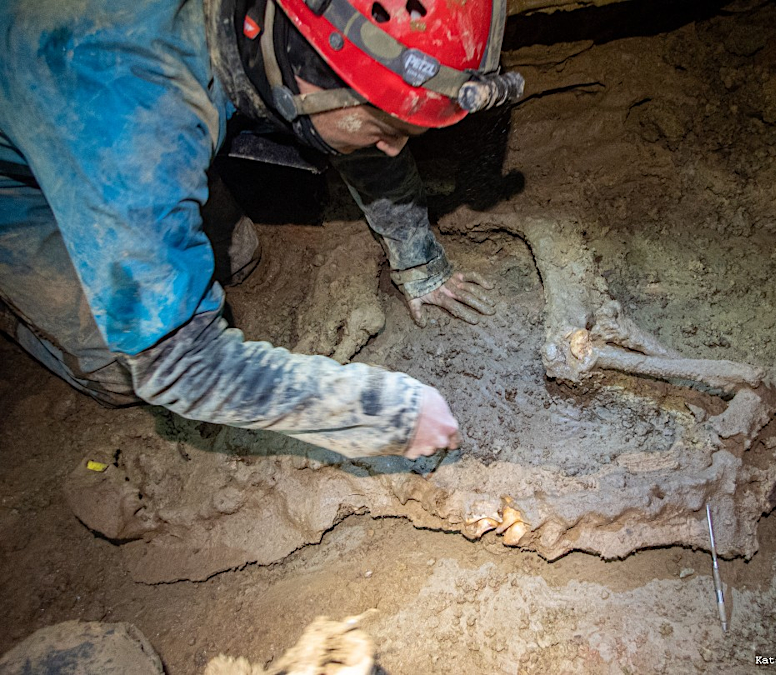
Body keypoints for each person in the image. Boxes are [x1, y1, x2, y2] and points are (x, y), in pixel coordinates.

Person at [0, 0, 522, 458]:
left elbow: (361, 106)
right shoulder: (131, 115)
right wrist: (379, 413)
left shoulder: (299, 28)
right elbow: (177, 363)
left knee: (238, 254)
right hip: (30, 165)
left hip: (112, 124)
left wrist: (418, 258)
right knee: (120, 367)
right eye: (383, 130)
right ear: (303, 68)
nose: (393, 147)